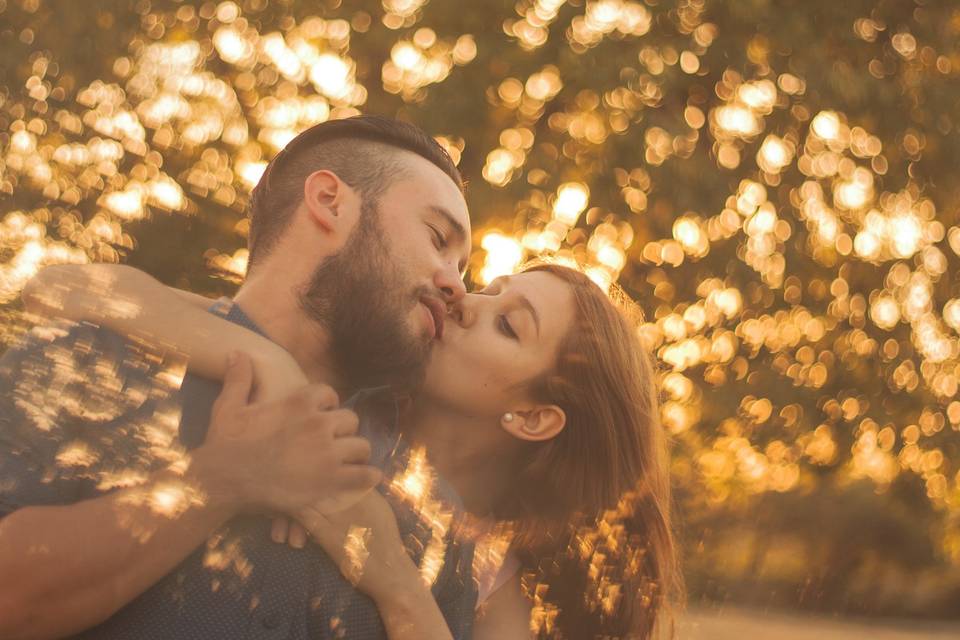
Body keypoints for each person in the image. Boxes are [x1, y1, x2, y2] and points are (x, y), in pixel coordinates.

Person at [19, 258, 683, 638]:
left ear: (533, 417)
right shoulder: (336, 383)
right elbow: (63, 286)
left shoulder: (490, 585)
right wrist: (270, 365)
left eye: (508, 324)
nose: (465, 301)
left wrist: (392, 575)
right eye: (491, 287)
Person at [0, 115, 479, 639]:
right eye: (438, 239)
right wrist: (218, 483)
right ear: (329, 202)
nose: (456, 287)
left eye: (462, 268)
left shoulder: (434, 511)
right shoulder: (93, 362)